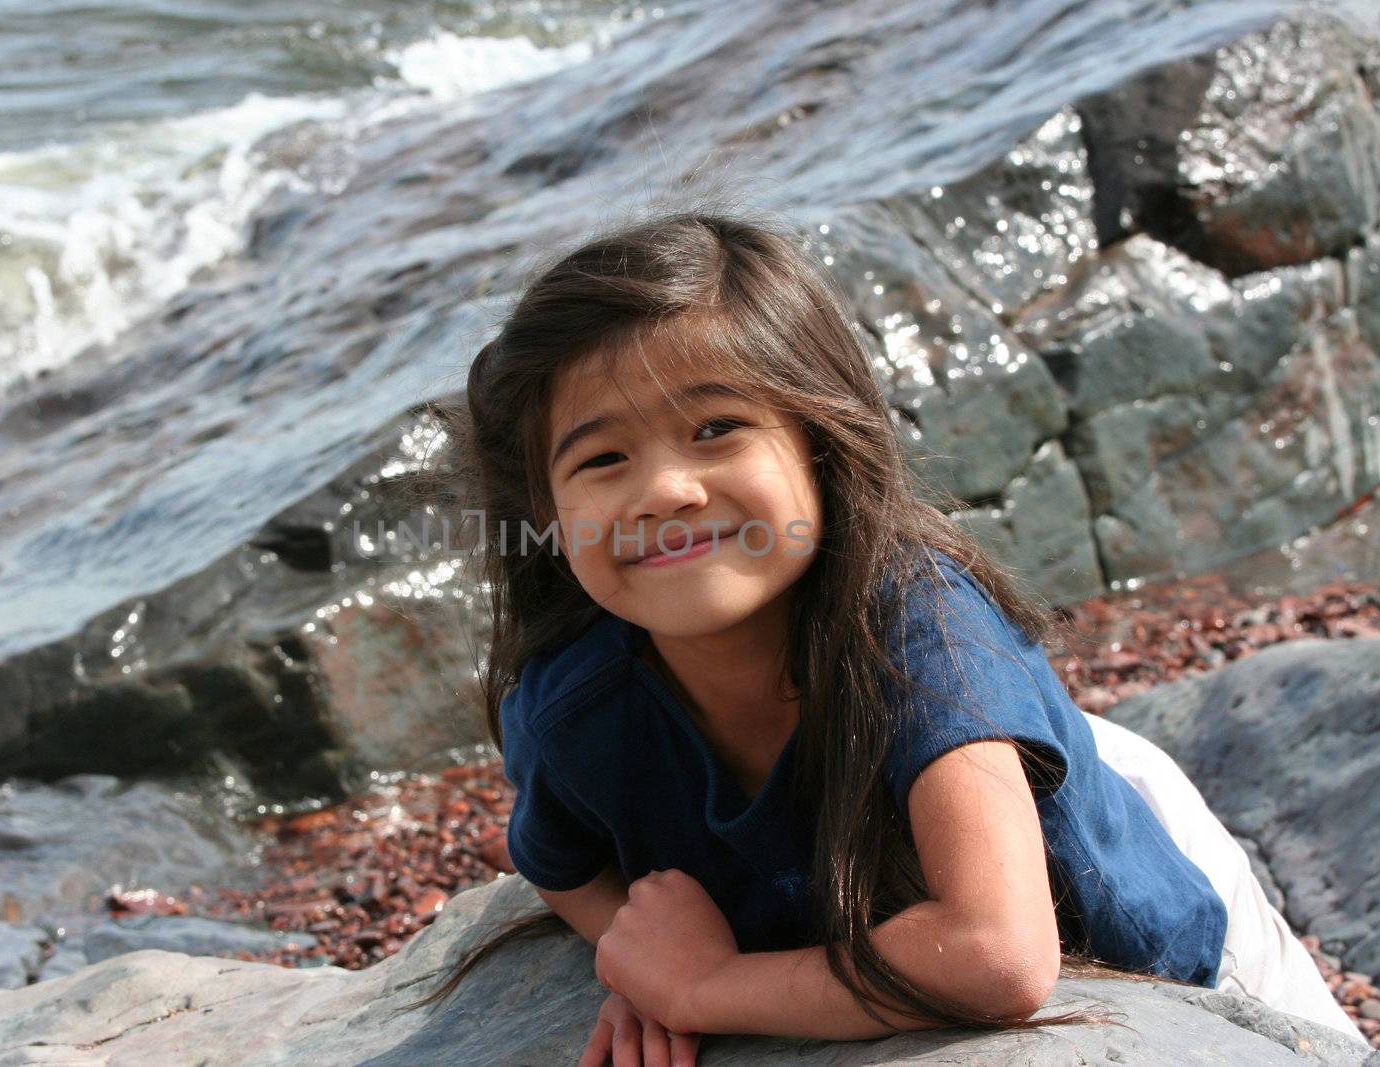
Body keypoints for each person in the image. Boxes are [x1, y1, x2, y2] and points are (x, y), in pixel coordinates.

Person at [394, 208, 1365, 1064]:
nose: (665, 489)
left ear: (820, 443)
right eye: (602, 457)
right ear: (549, 515)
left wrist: (706, 987)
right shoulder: (576, 703)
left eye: (717, 429)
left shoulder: (919, 632)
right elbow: (562, 867)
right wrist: (637, 951)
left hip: (1071, 820)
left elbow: (1000, 954)